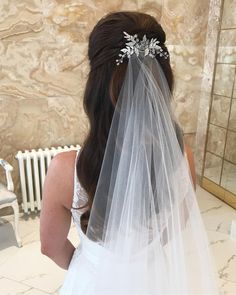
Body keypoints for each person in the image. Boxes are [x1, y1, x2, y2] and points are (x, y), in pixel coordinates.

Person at [40, 11, 218, 294]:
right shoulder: (183, 158)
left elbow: (50, 246)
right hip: (153, 278)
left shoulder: (64, 168)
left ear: (94, 86)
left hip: (92, 281)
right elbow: (175, 226)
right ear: (162, 80)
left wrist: (93, 263)